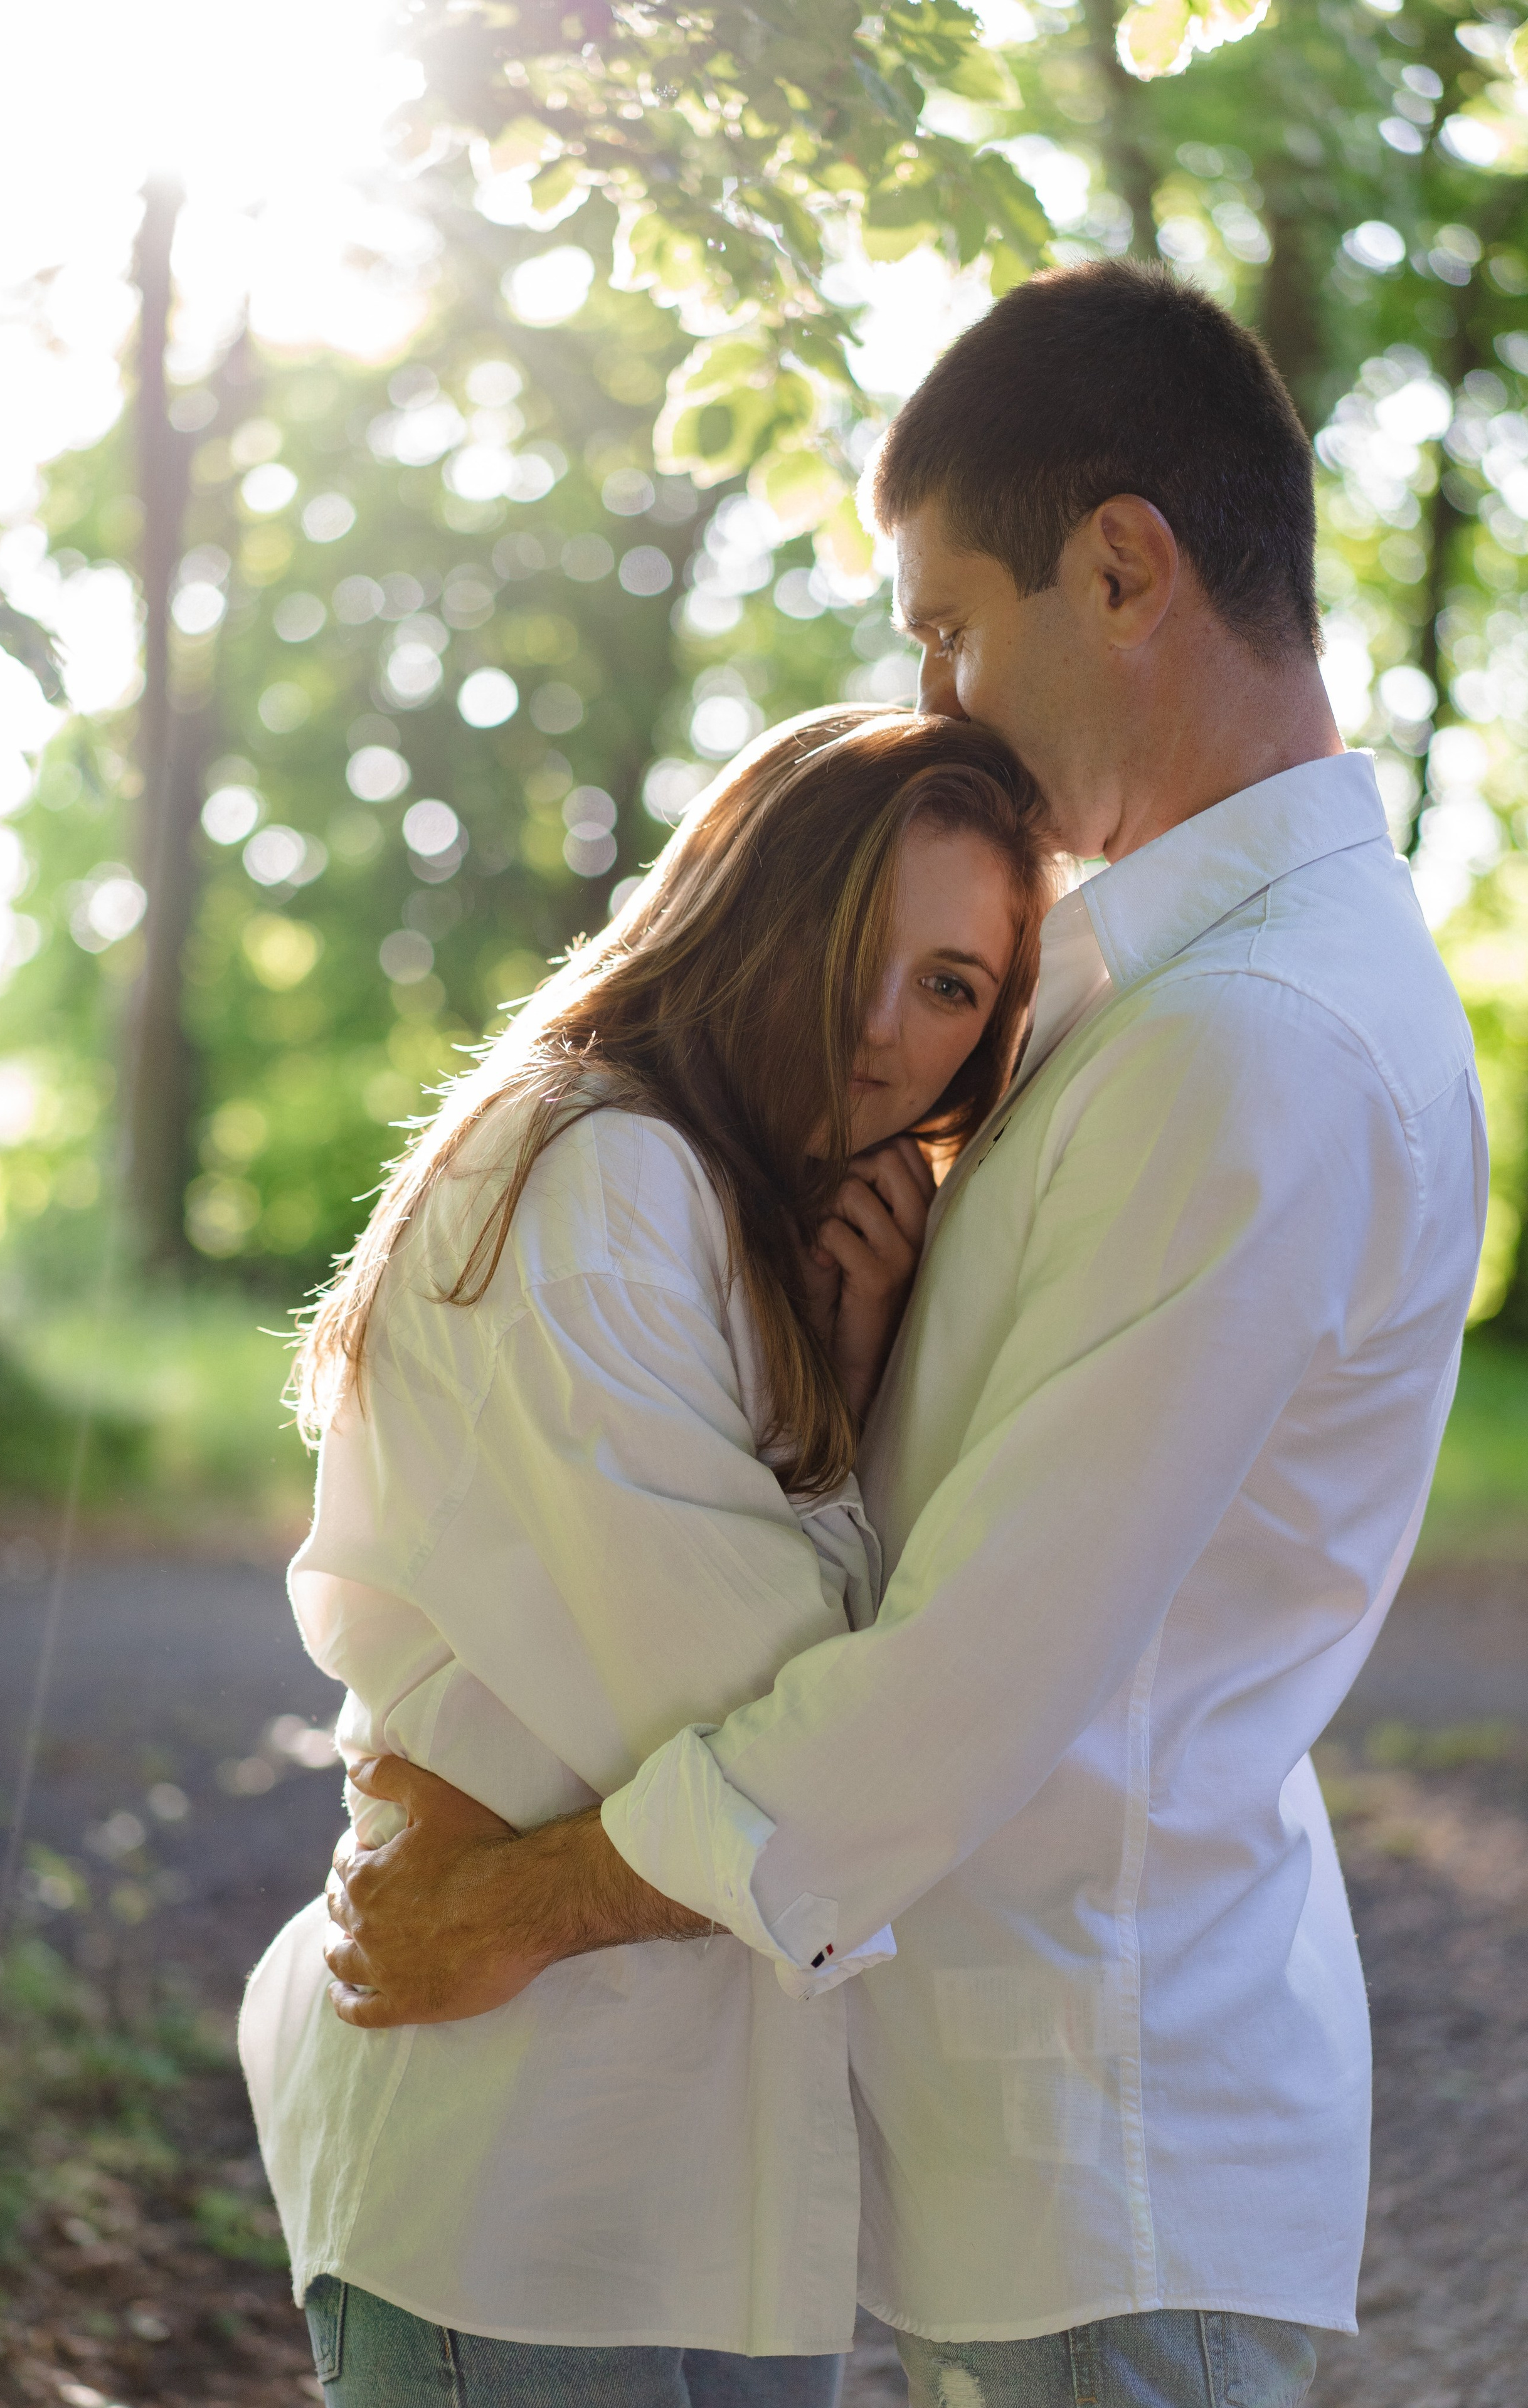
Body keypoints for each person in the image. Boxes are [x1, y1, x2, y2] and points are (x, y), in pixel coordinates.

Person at [325, 260, 1489, 2408]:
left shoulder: (1255, 1048)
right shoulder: (1158, 999)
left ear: (1122, 567)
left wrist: (512, 1902)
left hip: (1105, 2157)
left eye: (950, 621)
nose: (932, 689)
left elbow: (970, 1684)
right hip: (1017, 2151)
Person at [239, 706, 1059, 2406]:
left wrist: (851, 1378)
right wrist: (844, 1442)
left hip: (704, 2198)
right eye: (859, 943)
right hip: (516, 2182)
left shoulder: (734, 1205)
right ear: (742, 905)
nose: (885, 1029)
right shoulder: (592, 1180)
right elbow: (785, 1723)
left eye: (954, 987)